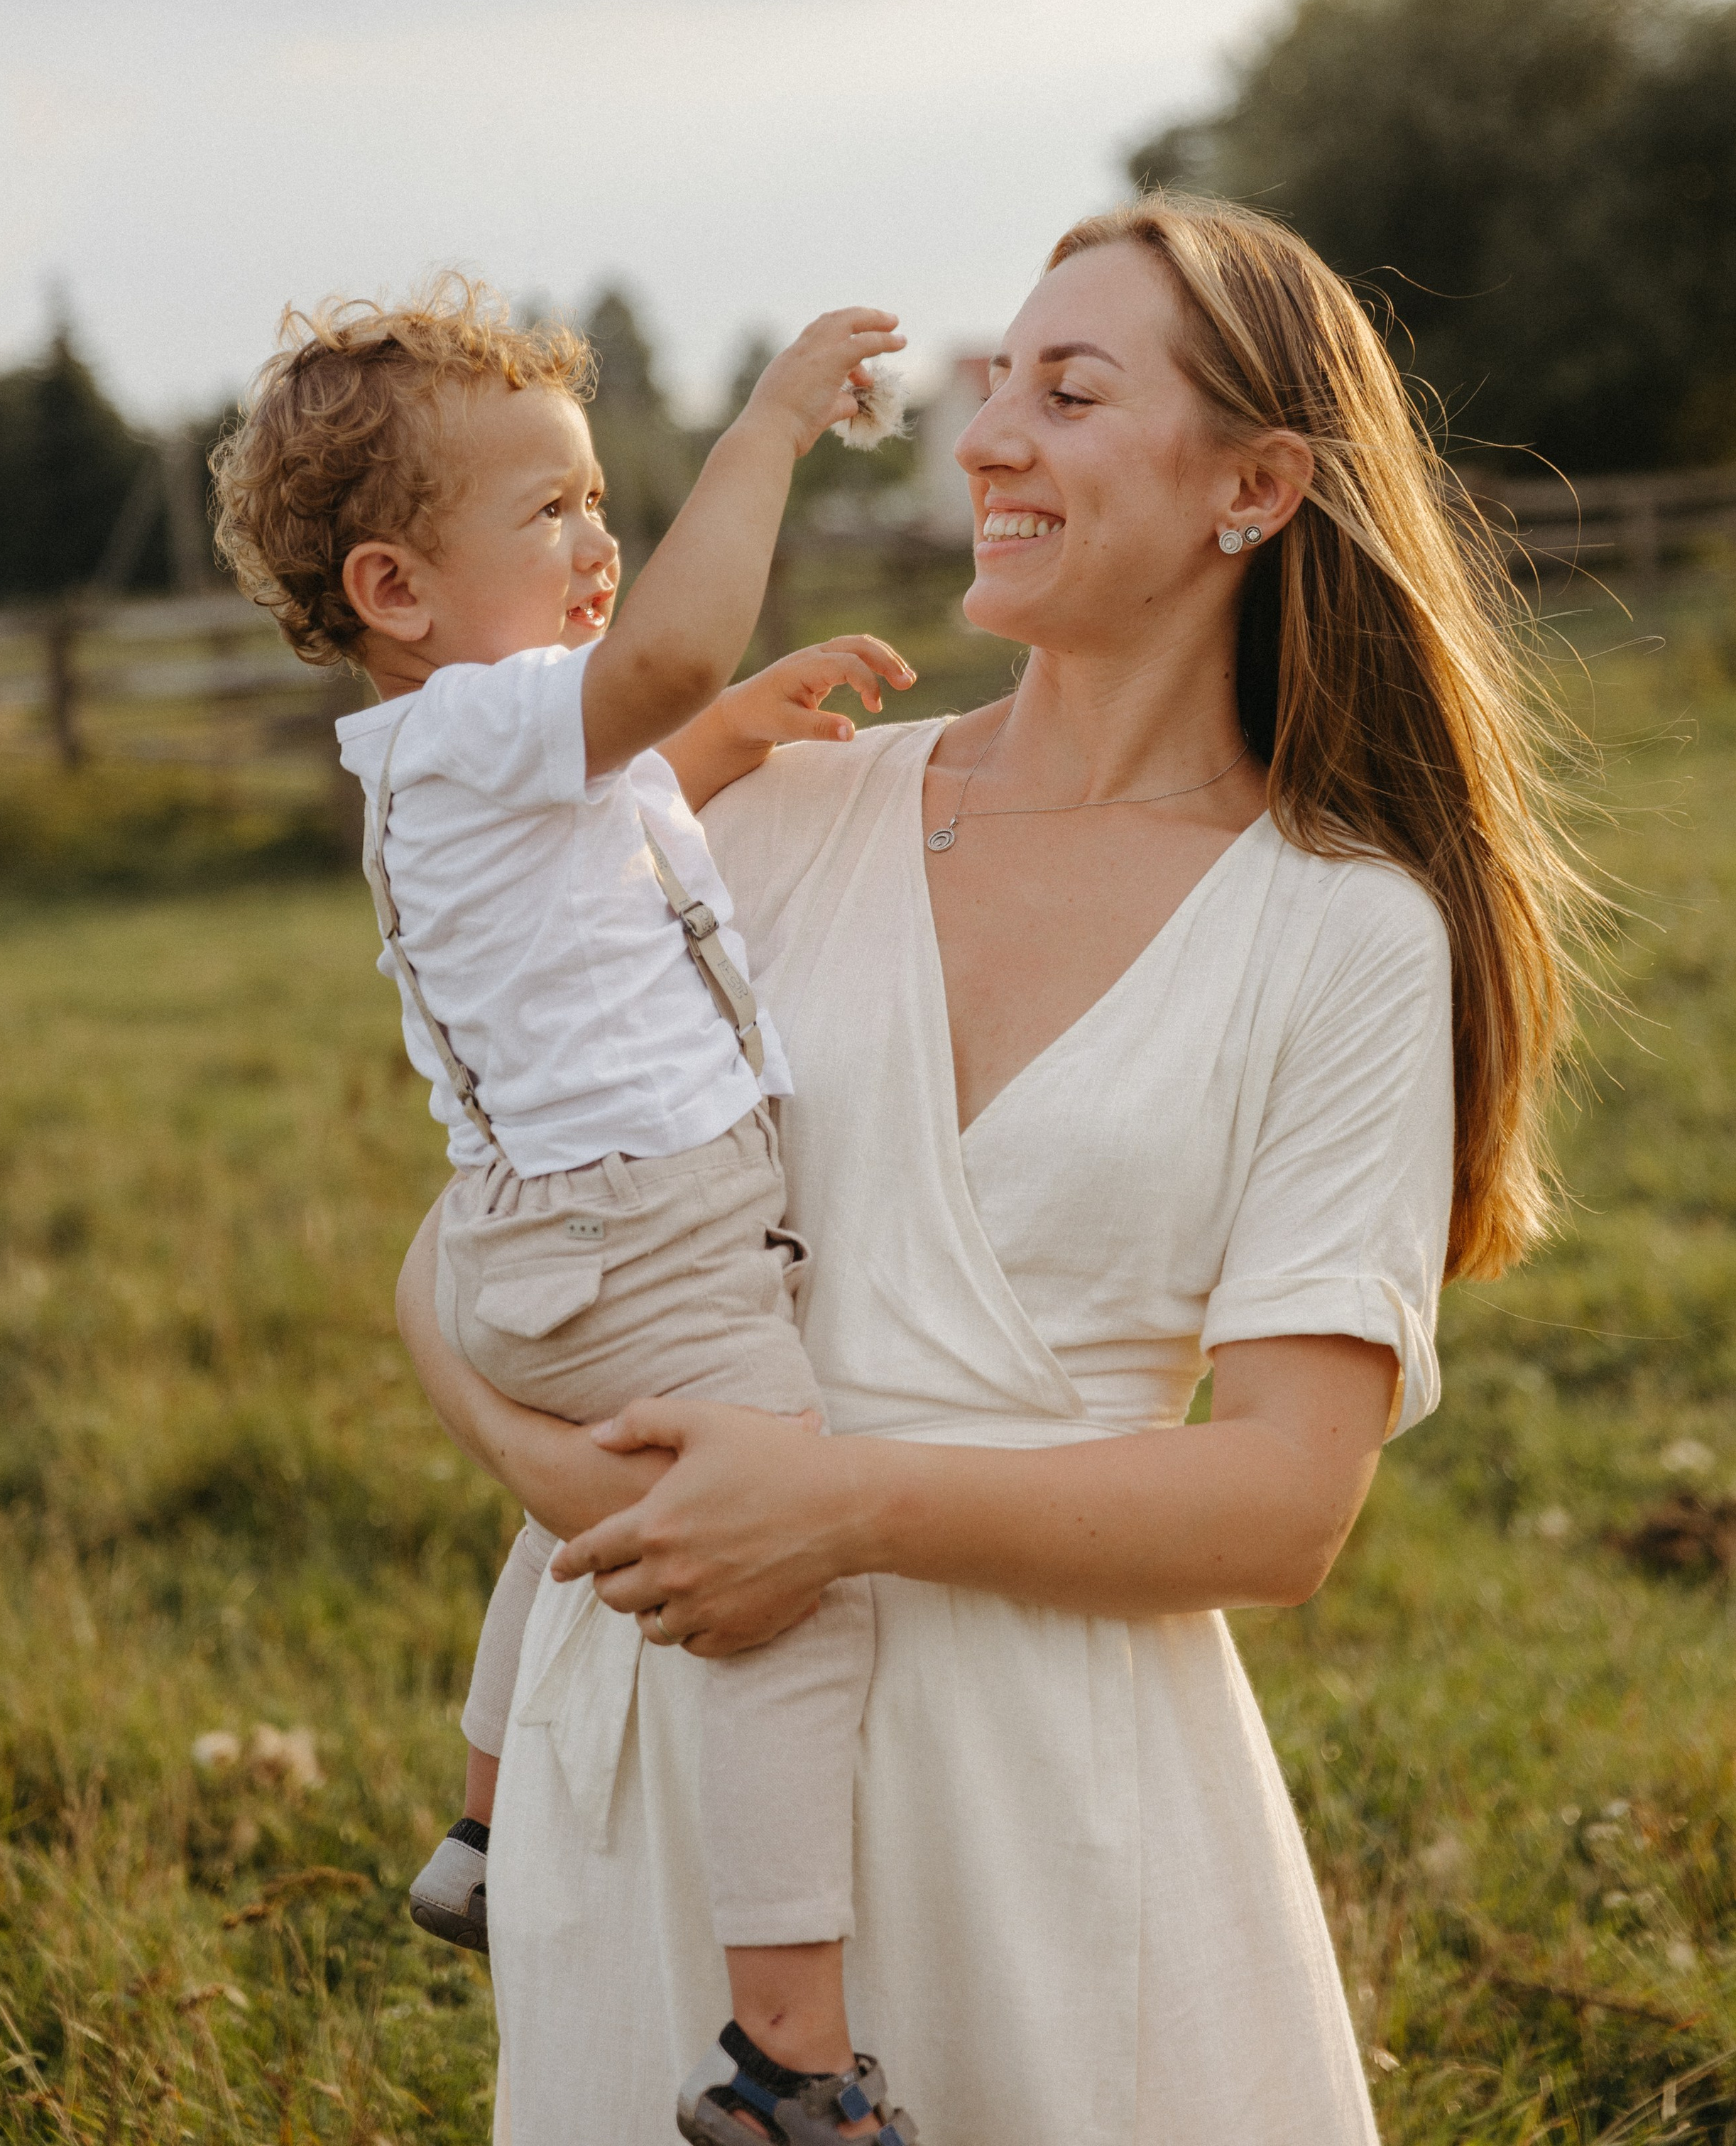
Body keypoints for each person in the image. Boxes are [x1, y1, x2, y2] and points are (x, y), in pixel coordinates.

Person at [398, 196, 1585, 2145]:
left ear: (1257, 486)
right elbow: (461, 1247)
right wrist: (581, 1496)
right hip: (674, 1732)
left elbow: (1286, 1502)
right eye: (994, 380)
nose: (989, 435)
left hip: (1044, 1795)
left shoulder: (1344, 930)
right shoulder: (764, 811)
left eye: (1071, 388)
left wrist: (831, 1507)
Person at [211, 275, 929, 2146]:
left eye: (604, 495)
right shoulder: (481, 723)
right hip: (651, 1227)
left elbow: (621, 806)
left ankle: (486, 1818)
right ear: (398, 593)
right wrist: (765, 429)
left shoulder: (462, 758)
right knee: (789, 1603)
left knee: (593, 1488)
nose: (604, 534)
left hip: (561, 1236)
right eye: (551, 511)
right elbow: (662, 671)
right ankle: (789, 2061)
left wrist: (731, 737)